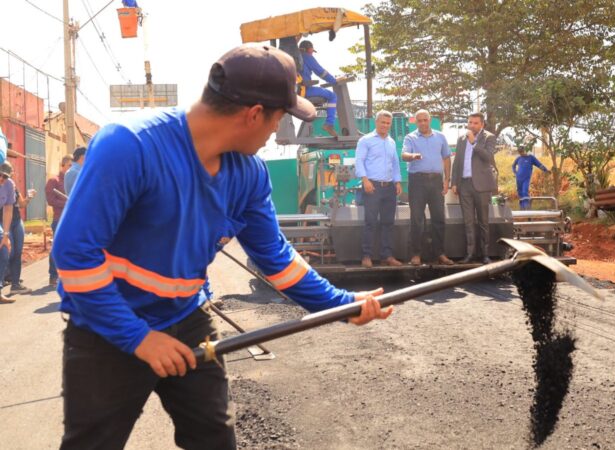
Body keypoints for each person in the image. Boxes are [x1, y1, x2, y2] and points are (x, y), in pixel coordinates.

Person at [52, 44, 392, 450]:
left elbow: (276, 258)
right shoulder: (131, 146)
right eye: (279, 119)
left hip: (186, 318)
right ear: (253, 114)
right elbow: (73, 255)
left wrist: (339, 303)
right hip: (107, 329)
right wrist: (138, 338)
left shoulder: (248, 173)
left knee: (214, 440)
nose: (275, 133)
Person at [402, 109, 454, 266]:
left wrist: (447, 181)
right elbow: (404, 155)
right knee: (417, 219)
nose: (423, 123)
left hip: (436, 181)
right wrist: (413, 156)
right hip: (417, 181)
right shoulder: (410, 138)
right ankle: (416, 254)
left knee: (439, 218)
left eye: (425, 120)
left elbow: (446, 158)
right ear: (416, 122)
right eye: (419, 121)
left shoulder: (440, 137)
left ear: (430, 120)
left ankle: (440, 253)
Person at [355, 110, 403, 268]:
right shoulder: (365, 140)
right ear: (376, 122)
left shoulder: (391, 142)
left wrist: (397, 182)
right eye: (383, 122)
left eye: (388, 123)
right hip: (372, 186)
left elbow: (395, 163)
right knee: (370, 222)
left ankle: (386, 256)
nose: (385, 125)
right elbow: (359, 161)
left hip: (389, 187)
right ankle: (366, 256)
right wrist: (365, 180)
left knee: (388, 222)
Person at [450, 113, 498, 264]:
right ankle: (469, 254)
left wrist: (474, 144)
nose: (472, 125)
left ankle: (485, 254)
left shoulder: (489, 137)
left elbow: (488, 157)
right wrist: (454, 182)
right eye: (470, 122)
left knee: (483, 221)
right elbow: (457, 162)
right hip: (465, 185)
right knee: (468, 221)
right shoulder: (461, 139)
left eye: (475, 123)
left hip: (482, 185)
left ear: (482, 124)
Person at [298, 40, 344, 137]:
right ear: (307, 49)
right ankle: (329, 124)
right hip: (305, 90)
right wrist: (334, 81)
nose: (312, 53)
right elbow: (321, 72)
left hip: (296, 92)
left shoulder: (293, 57)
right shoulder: (306, 57)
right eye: (311, 51)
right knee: (332, 96)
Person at [3, 164, 34, 295]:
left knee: (17, 252)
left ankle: (15, 284)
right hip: (4, 222)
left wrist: (29, 197)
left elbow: (21, 204)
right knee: (9, 252)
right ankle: (6, 277)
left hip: (16, 221)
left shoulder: (12, 186)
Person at [46, 155, 72, 286]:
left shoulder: (74, 179)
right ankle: (53, 275)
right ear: (62, 166)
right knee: (57, 247)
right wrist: (67, 203)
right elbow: (50, 200)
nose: (71, 169)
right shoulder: (53, 181)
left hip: (72, 219)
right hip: (59, 219)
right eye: (69, 166)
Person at [0, 163, 16, 303]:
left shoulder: (8, 184)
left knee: (4, 251)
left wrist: (5, 235)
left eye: (5, 176)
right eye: (0, 175)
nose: (2, 179)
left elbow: (8, 209)